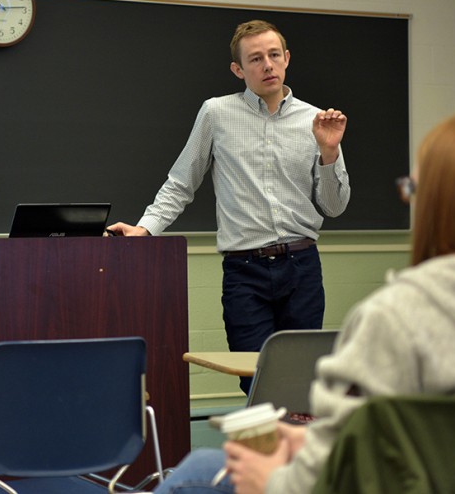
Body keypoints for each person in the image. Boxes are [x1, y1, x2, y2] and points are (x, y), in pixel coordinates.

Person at [151, 111, 455, 494]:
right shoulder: (218, 115)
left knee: (200, 469)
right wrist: (311, 439)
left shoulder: (395, 318)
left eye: (411, 189)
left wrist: (270, 481)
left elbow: (324, 477)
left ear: (438, 205)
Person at [107, 20, 351, 393]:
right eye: (255, 59)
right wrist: (146, 228)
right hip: (245, 271)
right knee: (254, 381)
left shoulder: (316, 121)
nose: (267, 65)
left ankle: (291, 450)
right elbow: (181, 182)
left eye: (273, 55)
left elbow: (333, 207)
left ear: (286, 59)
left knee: (299, 380)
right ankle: (264, 448)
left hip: (301, 267)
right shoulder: (216, 113)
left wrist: (329, 152)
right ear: (239, 69)